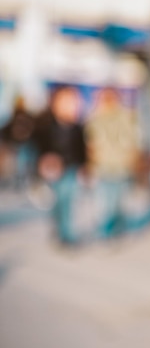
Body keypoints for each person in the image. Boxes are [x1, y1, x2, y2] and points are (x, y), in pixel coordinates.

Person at [34, 85, 87, 246]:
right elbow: (41, 146)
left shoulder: (77, 126)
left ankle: (67, 234)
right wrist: (44, 161)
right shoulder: (47, 125)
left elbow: (81, 148)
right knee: (59, 201)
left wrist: (84, 166)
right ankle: (59, 228)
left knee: (69, 200)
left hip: (71, 168)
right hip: (54, 170)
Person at [84, 87, 140, 238]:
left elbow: (132, 140)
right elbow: (89, 143)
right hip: (102, 166)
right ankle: (106, 231)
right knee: (104, 202)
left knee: (117, 201)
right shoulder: (95, 118)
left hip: (120, 166)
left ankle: (115, 228)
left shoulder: (125, 117)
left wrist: (132, 160)